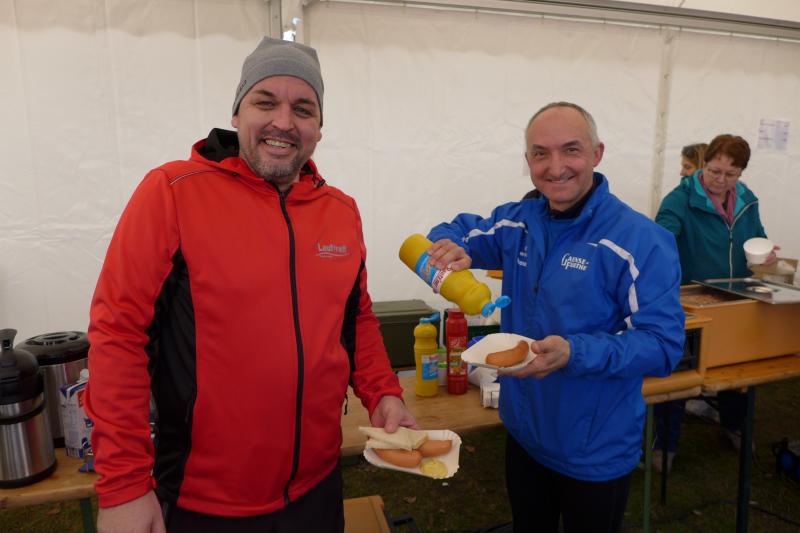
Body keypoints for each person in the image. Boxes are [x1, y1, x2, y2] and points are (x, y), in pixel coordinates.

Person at [84, 37, 417, 533]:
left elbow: (356, 319)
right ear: (237, 113)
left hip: (318, 488)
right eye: (265, 102)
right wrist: (125, 487)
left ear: (319, 128)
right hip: (205, 502)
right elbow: (118, 335)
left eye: (302, 108)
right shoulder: (172, 192)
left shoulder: (340, 212)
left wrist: (384, 393)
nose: (284, 122)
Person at [425, 102, 685, 533]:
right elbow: (451, 231)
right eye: (541, 153)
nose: (556, 167)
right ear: (528, 160)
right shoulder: (518, 222)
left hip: (595, 450)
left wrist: (574, 352)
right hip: (524, 434)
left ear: (597, 154)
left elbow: (663, 346)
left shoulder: (641, 240)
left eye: (571, 150)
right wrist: (450, 247)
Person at [653, 134, 778, 473]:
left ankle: (734, 426)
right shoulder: (679, 200)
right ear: (704, 164)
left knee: (736, 369)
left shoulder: (747, 200)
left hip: (736, 298)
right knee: (679, 372)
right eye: (714, 171)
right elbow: (661, 239)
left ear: (741, 173)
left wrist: (765, 255)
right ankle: (665, 444)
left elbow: (757, 236)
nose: (720, 180)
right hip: (691, 300)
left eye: (730, 174)